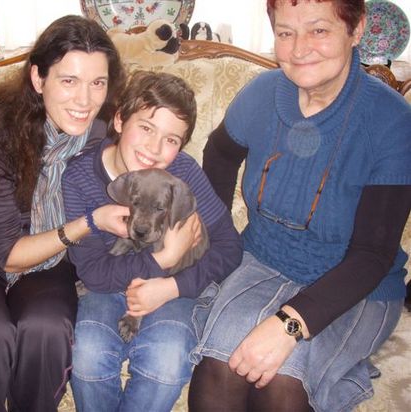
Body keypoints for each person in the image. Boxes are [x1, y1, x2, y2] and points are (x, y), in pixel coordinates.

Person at [188, 1, 411, 411]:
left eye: (319, 30)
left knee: (282, 383)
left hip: (357, 286)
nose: (299, 48)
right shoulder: (261, 95)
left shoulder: (391, 120)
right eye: (285, 33)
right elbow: (218, 154)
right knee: (222, 366)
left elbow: (371, 255)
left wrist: (290, 324)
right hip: (261, 261)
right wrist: (217, 237)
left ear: (356, 29)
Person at [0, 15, 129, 412]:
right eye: (69, 80)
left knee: (47, 329)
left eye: (97, 83)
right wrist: (85, 225)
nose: (85, 101)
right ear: (38, 78)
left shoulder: (103, 131)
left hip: (49, 263)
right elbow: (10, 254)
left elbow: (151, 155)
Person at [61, 71, 243, 411]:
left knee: (167, 360)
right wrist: (164, 257)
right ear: (119, 119)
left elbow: (229, 247)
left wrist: (172, 286)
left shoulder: (182, 174)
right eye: (146, 128)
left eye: (171, 139)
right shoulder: (80, 177)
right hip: (106, 286)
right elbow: (94, 274)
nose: (154, 148)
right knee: (87, 354)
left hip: (174, 289)